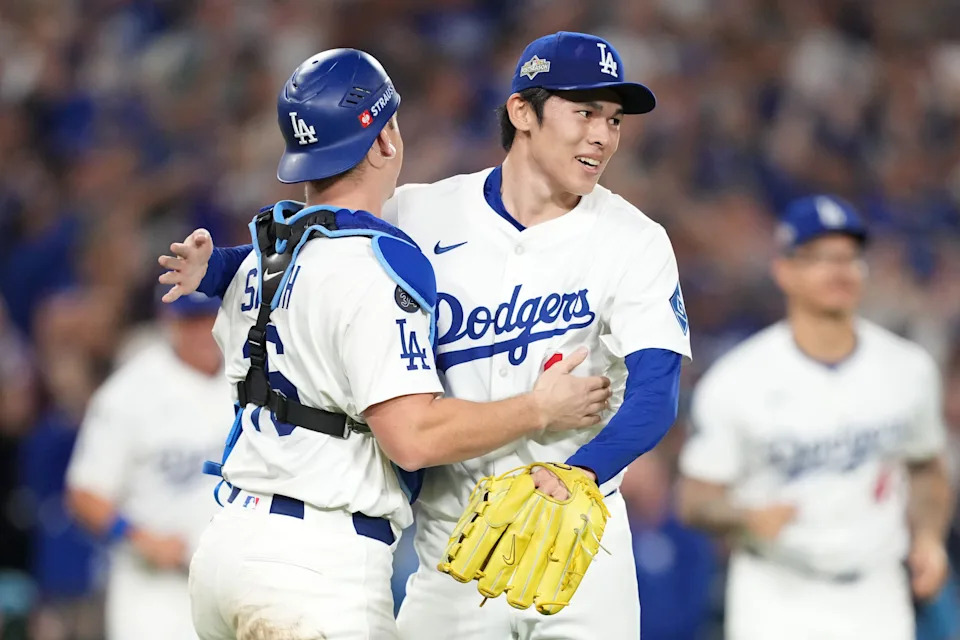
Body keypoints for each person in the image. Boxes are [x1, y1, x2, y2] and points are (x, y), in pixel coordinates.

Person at [162, 32, 690, 639]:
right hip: (452, 547)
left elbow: (657, 390)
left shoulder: (634, 238)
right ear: (522, 112)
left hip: (578, 544)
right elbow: (319, 253)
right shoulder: (419, 213)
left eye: (615, 119)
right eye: (584, 112)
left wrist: (584, 474)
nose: (602, 135)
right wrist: (219, 269)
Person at [676, 195, 954, 640]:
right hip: (777, 596)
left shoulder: (908, 368)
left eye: (849, 256)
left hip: (878, 592)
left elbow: (925, 467)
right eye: (820, 257)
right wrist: (743, 517)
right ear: (784, 270)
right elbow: (695, 501)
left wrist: (928, 538)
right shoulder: (737, 379)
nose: (839, 270)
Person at [65, 291, 232, 640]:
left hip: (233, 580)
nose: (203, 330)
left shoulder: (247, 375)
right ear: (168, 320)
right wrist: (141, 537)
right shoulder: (128, 393)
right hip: (155, 591)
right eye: (191, 320)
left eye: (209, 317)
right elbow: (84, 493)